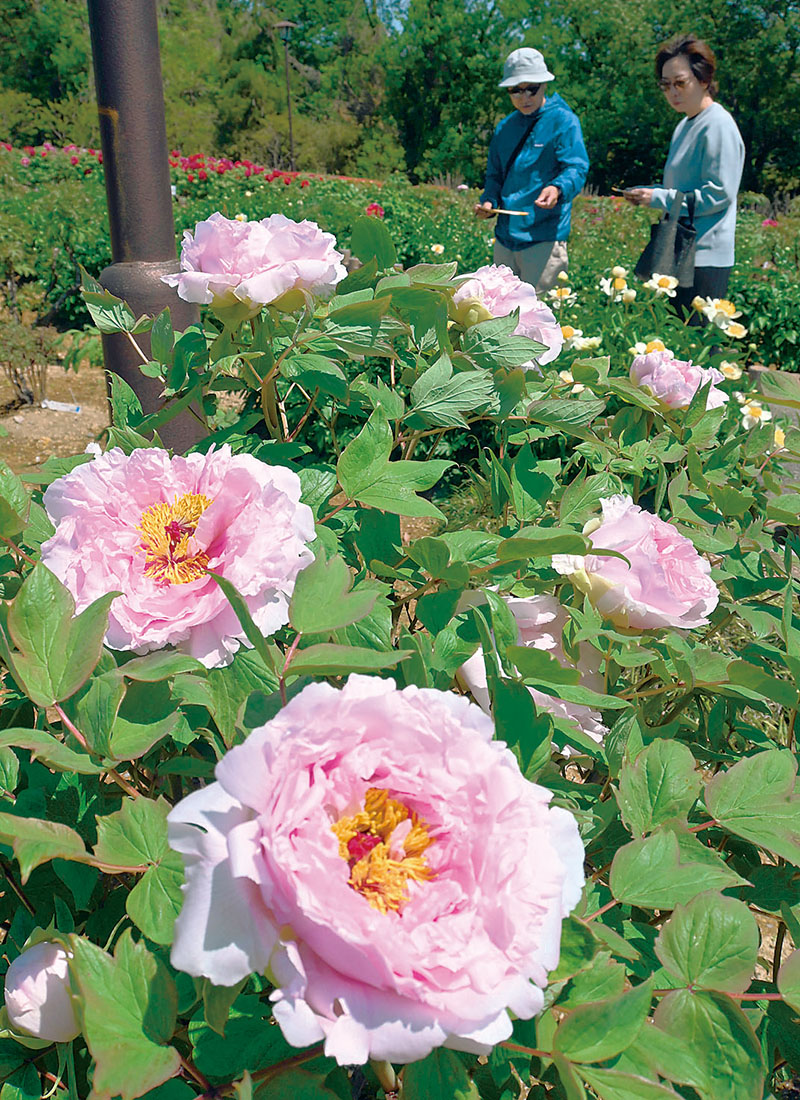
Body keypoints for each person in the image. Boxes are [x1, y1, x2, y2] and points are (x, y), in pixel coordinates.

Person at [624, 34, 745, 316]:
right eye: (665, 85)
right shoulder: (684, 126)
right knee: (678, 344)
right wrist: (650, 194)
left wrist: (658, 198)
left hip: (705, 256)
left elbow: (719, 194)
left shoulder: (718, 124)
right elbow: (684, 187)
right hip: (678, 250)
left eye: (680, 83)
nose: (672, 92)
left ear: (704, 79)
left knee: (699, 346)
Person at [476, 47, 589, 295]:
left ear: (544, 85)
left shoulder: (563, 121)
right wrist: (488, 201)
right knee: (499, 315)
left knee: (541, 318)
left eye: (532, 89)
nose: (524, 97)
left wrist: (557, 188)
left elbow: (576, 167)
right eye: (515, 90)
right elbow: (495, 177)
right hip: (505, 238)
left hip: (544, 239)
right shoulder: (505, 128)